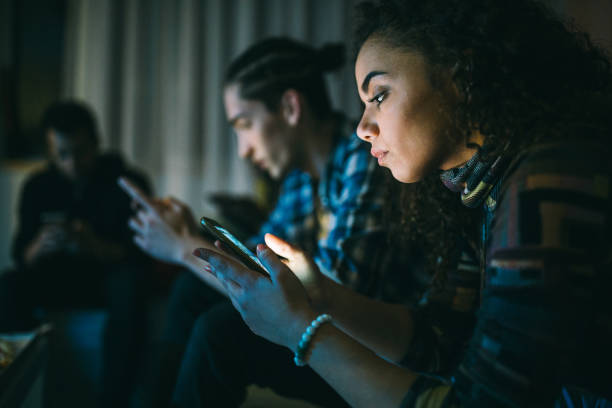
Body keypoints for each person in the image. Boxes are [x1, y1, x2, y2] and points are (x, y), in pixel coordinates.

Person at [193, 0, 612, 407]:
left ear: (460, 76)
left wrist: (301, 331)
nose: (362, 128)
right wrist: (323, 297)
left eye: (379, 96)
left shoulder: (548, 182)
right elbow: (442, 341)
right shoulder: (478, 193)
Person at [121, 37, 407, 407]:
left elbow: (329, 295)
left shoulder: (365, 159)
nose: (243, 149)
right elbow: (254, 265)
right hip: (333, 329)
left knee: (219, 332)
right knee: (192, 293)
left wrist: (180, 247)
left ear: (290, 107)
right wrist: (189, 237)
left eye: (244, 124)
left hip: (367, 351)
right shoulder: (301, 179)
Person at [0, 101, 152, 408]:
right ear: (50, 153)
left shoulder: (126, 182)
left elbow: (141, 255)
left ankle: (113, 401)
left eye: (80, 152)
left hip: (104, 279)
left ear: (96, 143)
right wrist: (39, 245)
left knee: (130, 285)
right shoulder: (38, 186)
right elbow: (20, 255)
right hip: (55, 277)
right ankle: (15, 387)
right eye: (62, 155)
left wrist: (95, 246)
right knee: (8, 284)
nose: (72, 164)